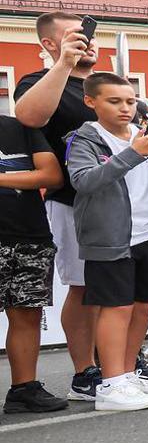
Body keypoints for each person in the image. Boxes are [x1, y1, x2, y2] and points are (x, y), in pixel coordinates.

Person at [66, 74, 148, 412]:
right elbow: (84, 182)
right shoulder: (83, 138)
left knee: (144, 306)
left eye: (130, 101)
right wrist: (132, 153)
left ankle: (128, 375)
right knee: (117, 308)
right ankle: (111, 384)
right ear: (91, 102)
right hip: (111, 239)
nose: (124, 108)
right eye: (114, 101)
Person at [13, 12, 103, 399]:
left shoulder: (103, 87)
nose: (87, 42)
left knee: (115, 287)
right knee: (84, 287)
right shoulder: (38, 81)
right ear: (50, 44)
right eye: (74, 37)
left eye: (88, 36)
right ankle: (85, 373)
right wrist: (65, 63)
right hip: (72, 201)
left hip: (119, 202)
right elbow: (29, 116)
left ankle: (121, 362)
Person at [0, 111, 68, 413]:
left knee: (27, 313)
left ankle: (23, 389)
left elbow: (51, 175)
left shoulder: (18, 127)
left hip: (30, 235)